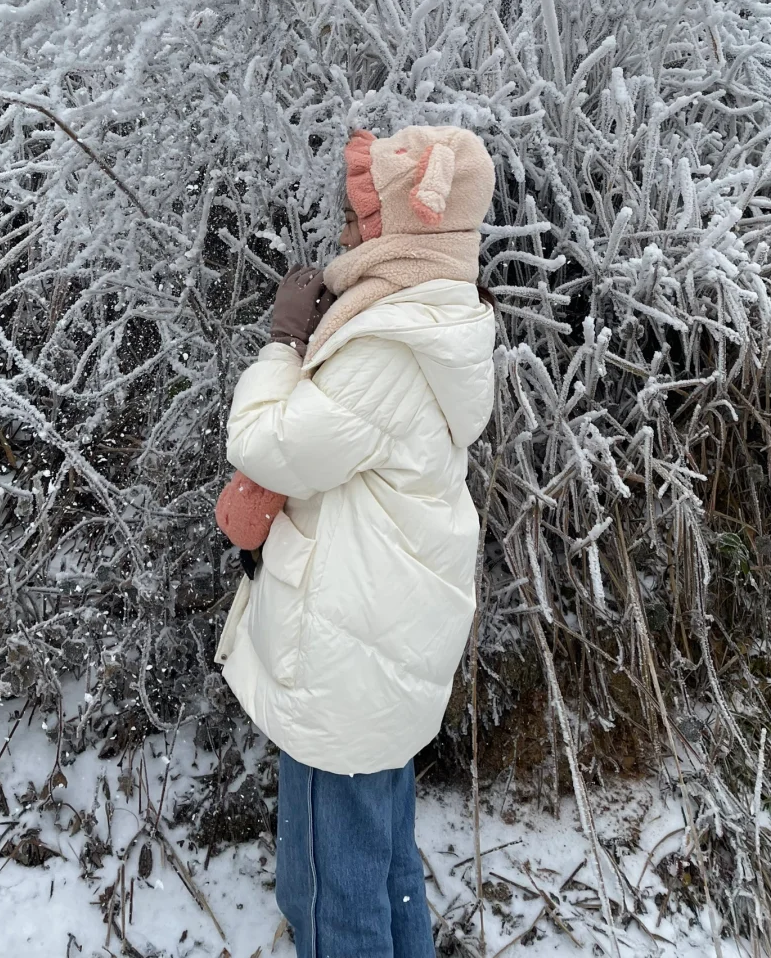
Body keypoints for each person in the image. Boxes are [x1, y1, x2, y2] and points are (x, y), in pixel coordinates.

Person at [214, 124, 498, 958]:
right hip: (378, 645)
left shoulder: (389, 346)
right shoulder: (436, 319)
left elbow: (267, 442)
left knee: (333, 895)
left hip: (345, 658)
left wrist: (282, 343)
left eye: (360, 219)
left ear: (402, 230)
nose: (345, 234)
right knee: (379, 863)